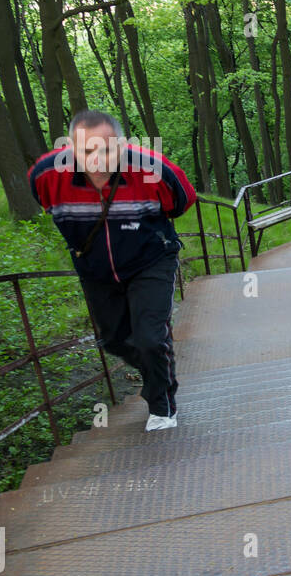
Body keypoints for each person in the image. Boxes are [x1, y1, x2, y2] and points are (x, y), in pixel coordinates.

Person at [27, 109, 197, 431]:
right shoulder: (47, 175)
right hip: (95, 269)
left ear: (122, 145)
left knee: (149, 338)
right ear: (70, 149)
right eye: (87, 150)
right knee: (113, 340)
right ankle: (156, 368)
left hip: (151, 260)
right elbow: (45, 202)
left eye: (108, 148)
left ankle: (162, 405)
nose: (98, 158)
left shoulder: (153, 168)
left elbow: (181, 202)